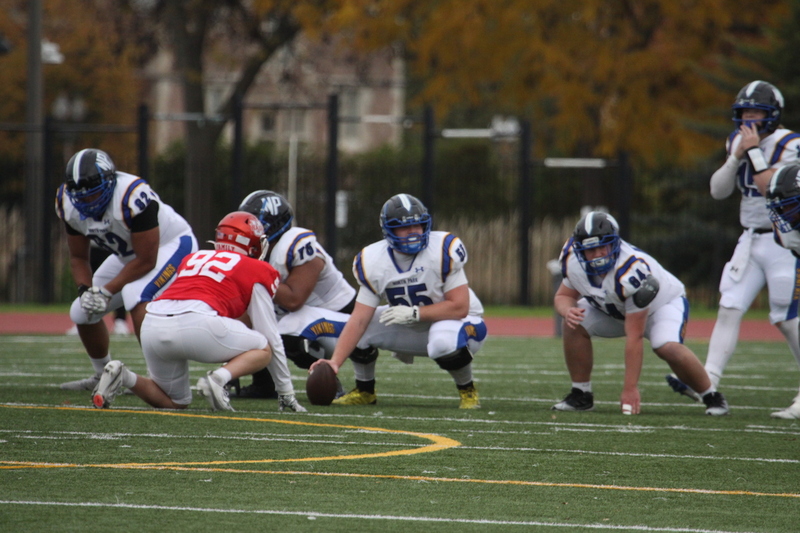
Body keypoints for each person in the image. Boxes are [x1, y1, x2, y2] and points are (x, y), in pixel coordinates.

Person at [92, 211, 306, 412]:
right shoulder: (256, 268)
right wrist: (286, 391)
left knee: (176, 401)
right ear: (250, 242)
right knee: (263, 348)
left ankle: (123, 375)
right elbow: (270, 335)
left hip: (153, 324)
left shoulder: (193, 258)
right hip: (197, 324)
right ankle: (219, 379)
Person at [309, 193, 487, 409]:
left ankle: (467, 391)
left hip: (463, 324)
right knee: (356, 327)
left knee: (442, 341)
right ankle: (365, 391)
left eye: (417, 226)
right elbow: (359, 320)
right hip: (413, 325)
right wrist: (334, 363)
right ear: (388, 231)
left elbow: (459, 307)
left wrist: (415, 313)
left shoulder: (443, 249)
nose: (413, 233)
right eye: (404, 228)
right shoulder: (373, 260)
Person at [682, 80, 800, 400]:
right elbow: (718, 191)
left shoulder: (791, 144)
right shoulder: (738, 140)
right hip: (750, 239)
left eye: (755, 112)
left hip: (785, 241)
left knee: (786, 319)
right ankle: (708, 381)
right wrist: (734, 158)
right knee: (729, 307)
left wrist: (751, 153)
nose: (748, 119)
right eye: (743, 112)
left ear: (772, 115)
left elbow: (770, 188)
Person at [552, 211, 729, 416]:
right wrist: (568, 311)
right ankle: (581, 395)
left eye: (602, 246)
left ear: (615, 243)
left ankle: (712, 396)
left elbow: (634, 336)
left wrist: (630, 388)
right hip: (615, 308)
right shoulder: (572, 259)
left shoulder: (631, 270)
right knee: (573, 322)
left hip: (661, 306)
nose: (597, 254)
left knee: (666, 347)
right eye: (590, 249)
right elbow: (563, 296)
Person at [56, 149, 198, 392]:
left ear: (109, 182)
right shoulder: (67, 204)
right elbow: (79, 257)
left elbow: (147, 260)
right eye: (81, 196)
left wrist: (106, 291)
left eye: (93, 194)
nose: (87, 202)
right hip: (130, 255)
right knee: (81, 311)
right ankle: (104, 375)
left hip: (172, 245)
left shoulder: (130, 195)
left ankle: (161, 382)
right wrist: (86, 291)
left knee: (136, 294)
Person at [227, 190, 357, 399]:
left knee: (285, 331)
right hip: (302, 319)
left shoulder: (295, 243)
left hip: (342, 325)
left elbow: (294, 299)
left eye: (254, 224)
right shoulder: (262, 252)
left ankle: (328, 379)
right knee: (252, 323)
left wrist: (254, 273)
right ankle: (264, 384)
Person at [745, 163, 800, 418]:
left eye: (790, 205)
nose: (784, 213)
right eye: (781, 206)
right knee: (790, 320)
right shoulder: (787, 233)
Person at [66, 244, 130, 336]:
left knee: (118, 284)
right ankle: (82, 322)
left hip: (112, 248)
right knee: (86, 283)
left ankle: (120, 321)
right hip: (90, 248)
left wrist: (105, 292)